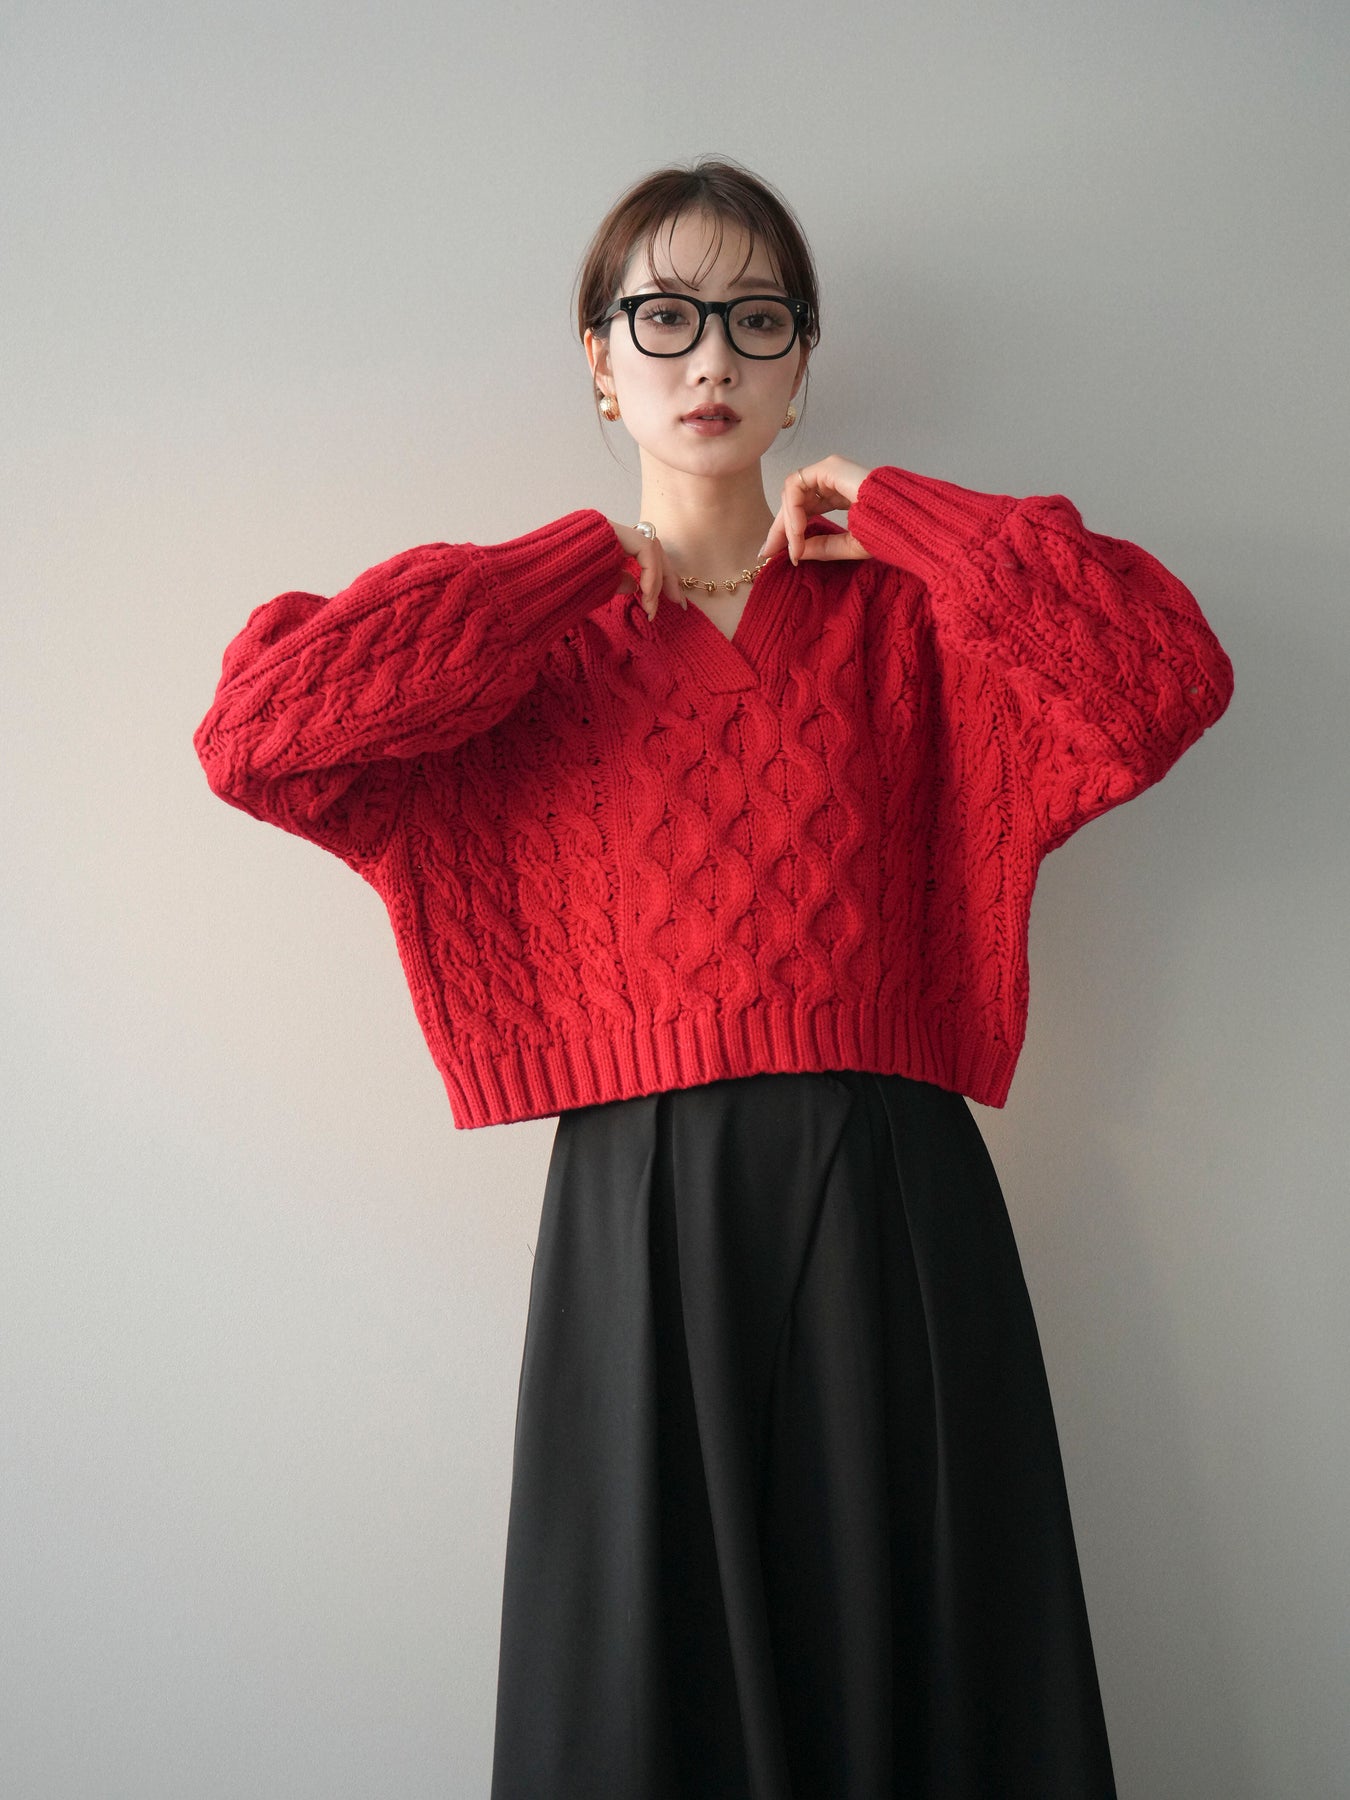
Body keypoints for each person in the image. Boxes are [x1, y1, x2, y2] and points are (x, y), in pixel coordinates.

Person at [193, 156, 1234, 1798]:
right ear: (598, 363)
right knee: (640, 1681)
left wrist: (899, 510)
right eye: (663, 317)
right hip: (638, 1209)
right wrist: (563, 568)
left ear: (801, 361)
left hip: (891, 1194)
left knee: (925, 1663)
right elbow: (260, 739)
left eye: (756, 319)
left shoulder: (911, 628)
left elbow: (1160, 677)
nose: (711, 358)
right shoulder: (522, 655)